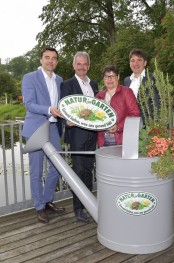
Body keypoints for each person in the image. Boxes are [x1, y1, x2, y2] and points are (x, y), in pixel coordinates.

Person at [22, 47, 65, 223]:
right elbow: (30, 104)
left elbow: (62, 104)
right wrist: (49, 109)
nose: (50, 61)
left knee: (57, 167)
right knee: (36, 171)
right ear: (40, 60)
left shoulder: (60, 80)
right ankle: (39, 207)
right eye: (47, 57)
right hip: (35, 129)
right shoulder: (29, 78)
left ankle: (47, 201)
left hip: (53, 128)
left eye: (54, 58)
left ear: (57, 61)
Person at [60, 51, 98, 223]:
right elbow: (64, 107)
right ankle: (78, 209)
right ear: (74, 65)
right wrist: (66, 120)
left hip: (92, 135)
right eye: (79, 64)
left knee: (89, 170)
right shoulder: (67, 84)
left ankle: (89, 204)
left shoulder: (95, 84)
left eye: (85, 64)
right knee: (78, 171)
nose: (82, 67)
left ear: (88, 66)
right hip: (76, 135)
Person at [96, 65, 140, 147]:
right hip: (102, 140)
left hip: (122, 139)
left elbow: (135, 113)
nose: (109, 79)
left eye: (112, 76)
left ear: (118, 77)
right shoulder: (99, 96)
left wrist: (118, 127)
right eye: (106, 77)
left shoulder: (127, 92)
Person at [124, 49, 160, 123]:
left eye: (139, 60)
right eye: (132, 60)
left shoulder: (152, 78)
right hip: (129, 122)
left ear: (145, 63)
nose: (135, 63)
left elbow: (157, 103)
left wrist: (156, 126)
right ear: (129, 63)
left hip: (148, 124)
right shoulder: (127, 80)